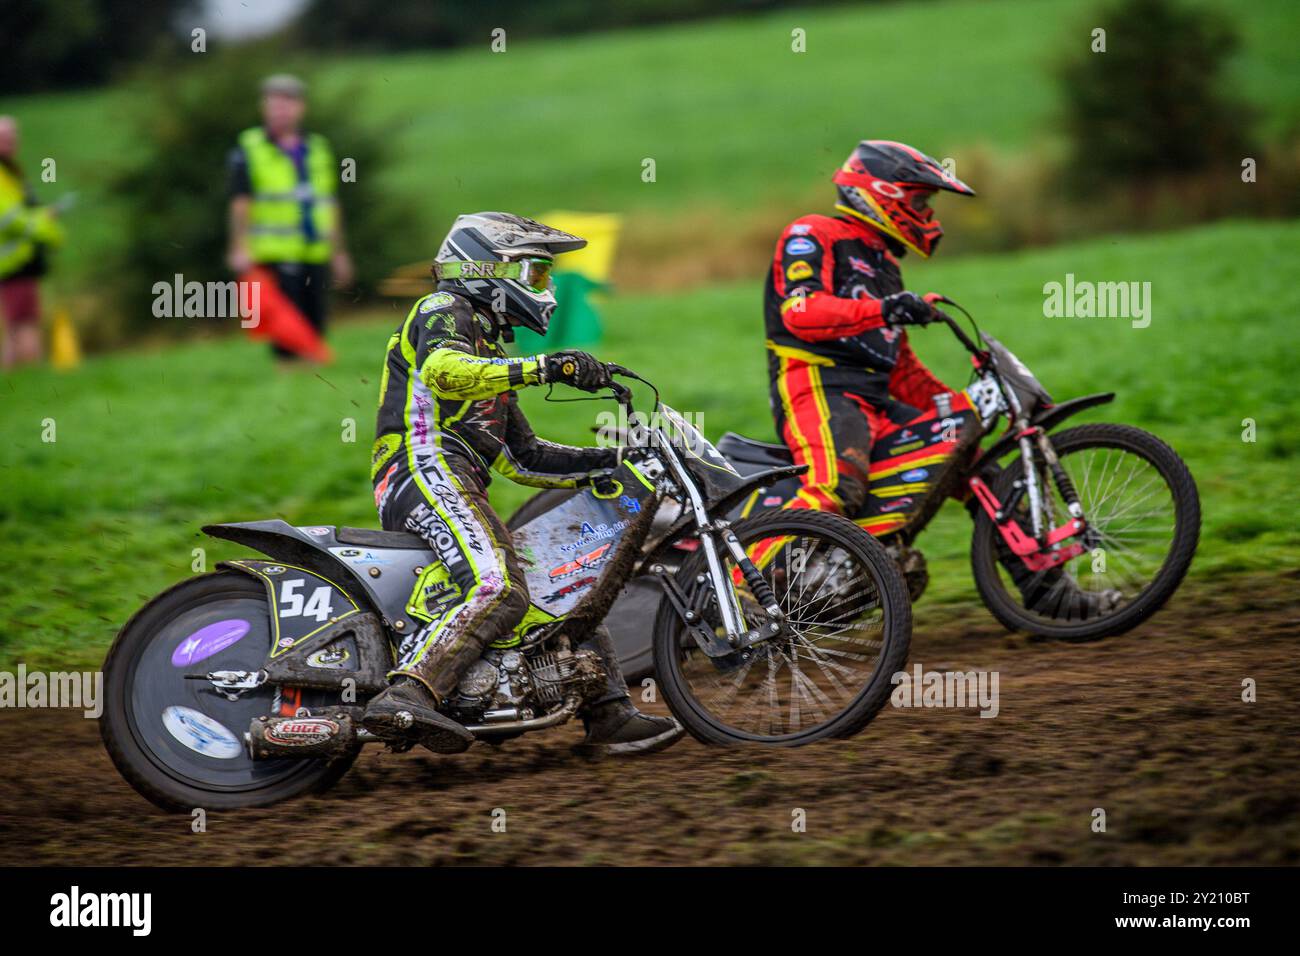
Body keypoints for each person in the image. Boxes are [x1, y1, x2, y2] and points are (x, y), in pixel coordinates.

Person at [363, 211, 683, 757]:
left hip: (456, 476)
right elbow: (444, 371)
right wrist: (546, 368)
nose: (547, 288)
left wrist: (622, 460)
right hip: (420, 468)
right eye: (536, 274)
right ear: (487, 268)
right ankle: (408, 692)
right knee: (498, 585)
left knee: (556, 585)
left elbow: (523, 457)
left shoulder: (492, 351)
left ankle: (608, 713)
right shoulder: (445, 308)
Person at [761, 139, 1111, 617]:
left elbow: (899, 366)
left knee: (978, 464)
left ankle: (1050, 592)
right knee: (835, 486)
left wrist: (965, 417)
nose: (927, 214)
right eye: (920, 202)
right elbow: (801, 311)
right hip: (819, 388)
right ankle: (743, 593)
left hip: (875, 400)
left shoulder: (884, 265)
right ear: (883, 194)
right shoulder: (812, 232)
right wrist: (883, 308)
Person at [226, 74, 352, 361]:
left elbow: (329, 203)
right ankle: (288, 376)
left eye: (288, 102)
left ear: (301, 107)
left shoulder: (318, 148)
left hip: (315, 250)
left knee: (315, 317)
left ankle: (313, 376)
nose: (281, 109)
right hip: (274, 251)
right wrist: (239, 247)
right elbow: (240, 203)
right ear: (264, 107)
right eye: (274, 103)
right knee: (285, 322)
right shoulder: (249, 148)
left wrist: (339, 252)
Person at [0, 115, 63, 370]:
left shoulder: (10, 172)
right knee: (23, 324)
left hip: (18, 262)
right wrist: (45, 225)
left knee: (19, 324)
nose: (10, 143)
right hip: (14, 262)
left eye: (12, 137)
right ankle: (29, 374)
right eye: (4, 138)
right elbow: (9, 218)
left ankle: (21, 377)